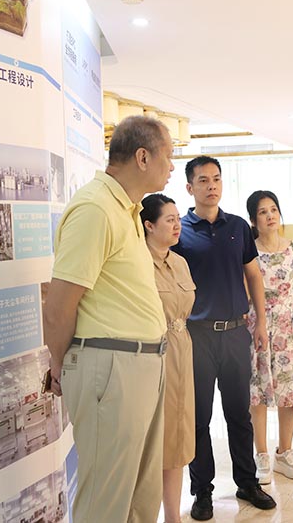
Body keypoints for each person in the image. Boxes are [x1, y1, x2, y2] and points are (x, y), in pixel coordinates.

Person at [43, 115, 174, 523]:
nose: (172, 166)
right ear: (142, 157)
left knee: (140, 499)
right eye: (168, 156)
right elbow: (59, 306)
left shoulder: (126, 210)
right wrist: (62, 365)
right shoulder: (95, 208)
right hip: (111, 366)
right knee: (106, 503)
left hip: (141, 365)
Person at [172, 156, 276, 521]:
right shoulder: (179, 230)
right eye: (203, 180)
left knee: (239, 414)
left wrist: (260, 323)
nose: (211, 185)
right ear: (190, 187)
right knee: (199, 418)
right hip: (196, 336)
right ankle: (202, 491)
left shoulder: (238, 227)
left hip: (235, 333)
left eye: (216, 179)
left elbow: (254, 276)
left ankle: (247, 482)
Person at [245, 190, 293, 483]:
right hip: (258, 326)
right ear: (253, 220)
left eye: (273, 209)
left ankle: (284, 452)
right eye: (262, 212)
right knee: (258, 392)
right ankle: (261, 455)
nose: (270, 215)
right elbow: (246, 292)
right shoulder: (248, 251)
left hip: (290, 325)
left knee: (290, 392)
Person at [141, 194, 196, 523]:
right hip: (150, 356)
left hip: (181, 353)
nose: (177, 225)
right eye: (169, 220)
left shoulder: (180, 262)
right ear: (149, 225)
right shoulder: (135, 263)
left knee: (177, 438)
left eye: (178, 219)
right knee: (151, 440)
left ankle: (173, 516)